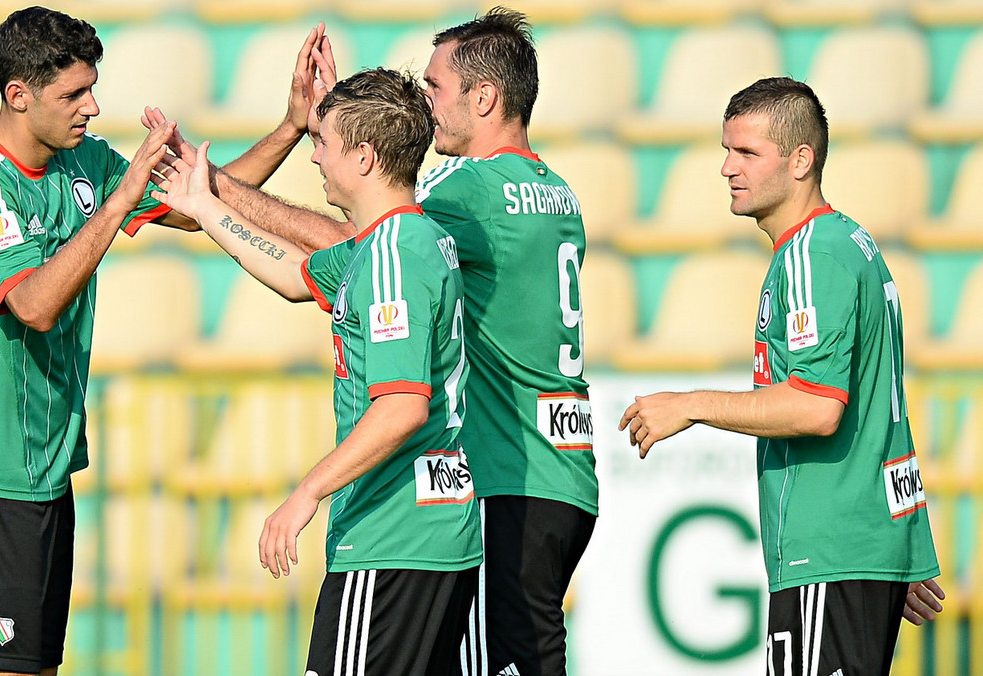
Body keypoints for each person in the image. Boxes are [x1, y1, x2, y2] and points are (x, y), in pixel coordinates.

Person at [145, 8, 594, 674]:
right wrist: (215, 203)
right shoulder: (551, 190)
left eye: (436, 88)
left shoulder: (457, 201)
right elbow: (314, 269)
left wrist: (214, 184)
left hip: (489, 484)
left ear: (485, 96)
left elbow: (368, 245)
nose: (430, 105)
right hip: (555, 475)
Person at [151, 67, 482, 675]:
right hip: (435, 537)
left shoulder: (391, 257)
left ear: (363, 157)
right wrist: (202, 206)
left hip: (390, 537)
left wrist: (307, 492)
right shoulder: (402, 241)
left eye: (322, 142)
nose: (315, 158)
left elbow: (402, 405)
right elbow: (292, 273)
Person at [0, 6, 198, 674]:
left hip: (46, 475)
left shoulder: (85, 163)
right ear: (19, 94)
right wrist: (120, 202)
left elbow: (200, 206)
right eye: (73, 93)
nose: (92, 107)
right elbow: (33, 305)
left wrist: (291, 126)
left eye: (92, 88)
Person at [618, 76, 944, 675]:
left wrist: (690, 404)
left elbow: (818, 408)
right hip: (858, 549)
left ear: (801, 160)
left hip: (829, 549)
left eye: (747, 152)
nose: (726, 167)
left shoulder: (813, 255)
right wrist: (900, 549)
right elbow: (886, 408)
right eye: (726, 150)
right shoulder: (848, 243)